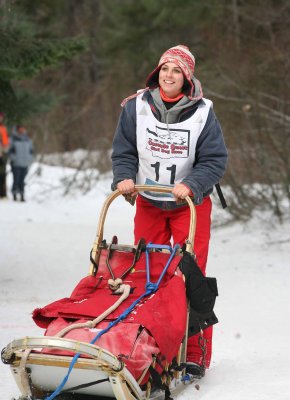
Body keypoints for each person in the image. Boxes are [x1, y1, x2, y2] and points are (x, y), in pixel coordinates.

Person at [111, 45, 228, 377]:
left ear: (187, 77)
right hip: (149, 201)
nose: (169, 75)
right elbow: (123, 151)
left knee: (189, 275)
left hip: (188, 206)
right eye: (165, 69)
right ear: (156, 72)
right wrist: (123, 177)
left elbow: (215, 160)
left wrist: (192, 183)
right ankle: (150, 347)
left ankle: (194, 351)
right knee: (148, 273)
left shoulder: (204, 113)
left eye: (176, 71)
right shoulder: (136, 107)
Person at [8, 124, 34, 202]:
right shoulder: (13, 139)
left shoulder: (28, 139)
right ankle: (15, 194)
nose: (22, 130)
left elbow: (31, 151)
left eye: (23, 128)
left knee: (22, 180)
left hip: (25, 163)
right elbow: (10, 151)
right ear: (17, 129)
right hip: (16, 163)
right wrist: (14, 159)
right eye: (20, 129)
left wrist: (30, 159)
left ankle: (22, 194)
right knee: (16, 179)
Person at [0, 112, 10, 198]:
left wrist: (5, 152)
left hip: (2, 154)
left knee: (2, 174)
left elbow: (5, 142)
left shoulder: (3, 128)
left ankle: (2, 193)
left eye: (1, 117)